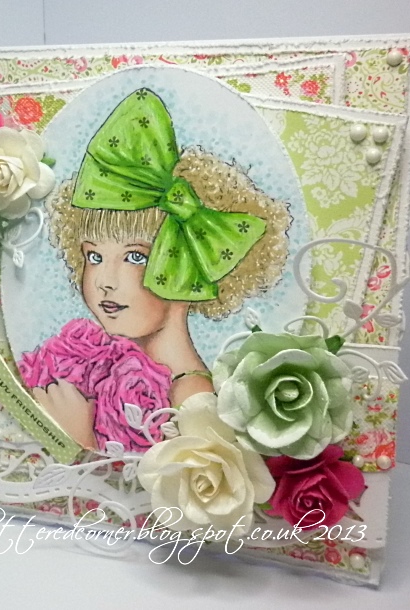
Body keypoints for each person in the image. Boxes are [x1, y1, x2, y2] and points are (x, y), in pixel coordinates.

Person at [18, 88, 291, 452]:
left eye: (135, 257)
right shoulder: (101, 369)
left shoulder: (191, 399)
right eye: (94, 257)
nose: (105, 282)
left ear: (189, 267)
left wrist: (81, 442)